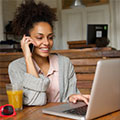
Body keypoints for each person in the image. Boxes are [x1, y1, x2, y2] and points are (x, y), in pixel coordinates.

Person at [8, 0, 90, 106]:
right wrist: (28, 58)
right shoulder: (16, 67)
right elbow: (37, 101)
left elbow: (70, 95)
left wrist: (72, 97)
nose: (46, 43)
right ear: (26, 39)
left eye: (50, 37)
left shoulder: (65, 63)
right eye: (39, 37)